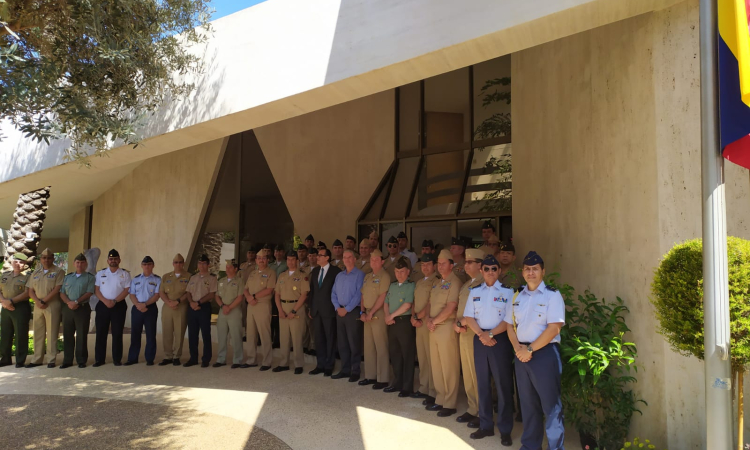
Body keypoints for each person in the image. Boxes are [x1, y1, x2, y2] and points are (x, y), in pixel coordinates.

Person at [505, 251, 566, 450]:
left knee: (551, 406)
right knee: (528, 405)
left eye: (535, 269)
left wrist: (530, 349)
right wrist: (518, 348)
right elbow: (509, 326)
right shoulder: (516, 295)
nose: (531, 273)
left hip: (544, 354)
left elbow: (554, 327)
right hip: (521, 353)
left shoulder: (552, 295)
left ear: (543, 271)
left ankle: (555, 447)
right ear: (522, 272)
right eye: (527, 269)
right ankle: (531, 445)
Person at [462, 254, 515, 445]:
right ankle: (485, 426)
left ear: (499, 271)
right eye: (487, 269)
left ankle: (505, 429)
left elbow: (509, 320)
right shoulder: (474, 291)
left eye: (494, 269)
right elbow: (469, 317)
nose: (491, 272)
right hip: (480, 340)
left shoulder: (509, 292)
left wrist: (490, 334)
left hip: (499, 341)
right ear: (481, 271)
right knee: (482, 385)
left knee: (503, 386)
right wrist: (481, 335)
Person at [425, 249, 461, 417]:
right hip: (433, 326)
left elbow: (451, 307)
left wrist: (434, 321)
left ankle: (450, 402)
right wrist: (427, 320)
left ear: (451, 265)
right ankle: (440, 398)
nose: (440, 266)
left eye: (443, 263)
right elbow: (429, 304)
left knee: (448, 365)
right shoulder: (437, 283)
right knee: (437, 365)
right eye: (438, 263)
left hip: (445, 327)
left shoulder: (455, 282)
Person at [454, 248, 486, 428]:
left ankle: (483, 411)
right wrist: (457, 324)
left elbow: (481, 310)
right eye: (465, 262)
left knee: (478, 374)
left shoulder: (484, 284)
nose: (465, 265)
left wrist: (462, 322)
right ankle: (473, 408)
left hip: (476, 334)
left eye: (470, 262)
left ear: (480, 265)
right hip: (464, 333)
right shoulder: (467, 285)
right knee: (467, 373)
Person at [26, 247, 65, 368]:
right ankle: (37, 359)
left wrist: (44, 300)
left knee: (52, 332)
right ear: (40, 259)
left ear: (53, 258)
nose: (46, 260)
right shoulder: (35, 272)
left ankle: (51, 359)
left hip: (52, 305)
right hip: (38, 306)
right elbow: (30, 290)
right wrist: (37, 301)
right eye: (44, 258)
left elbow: (58, 288)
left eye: (49, 258)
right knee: (38, 332)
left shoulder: (59, 271)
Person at [331, 250, 365, 382]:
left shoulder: (360, 275)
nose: (346, 259)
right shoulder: (339, 276)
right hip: (340, 312)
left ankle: (355, 371)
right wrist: (337, 307)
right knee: (342, 343)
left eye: (349, 257)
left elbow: (359, 294)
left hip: (352, 312)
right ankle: (345, 370)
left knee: (354, 342)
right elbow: (333, 293)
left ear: (355, 259)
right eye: (344, 257)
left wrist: (347, 309)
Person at [93, 249, 131, 367]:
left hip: (118, 305)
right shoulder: (100, 273)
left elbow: (127, 290)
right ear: (107, 260)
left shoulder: (125, 274)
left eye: (115, 259)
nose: (113, 261)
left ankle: (117, 359)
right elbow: (96, 290)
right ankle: (99, 359)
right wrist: (105, 301)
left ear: (119, 260)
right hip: (103, 305)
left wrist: (114, 301)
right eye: (111, 259)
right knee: (101, 333)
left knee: (117, 333)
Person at [358, 249, 390, 390]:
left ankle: (382, 378)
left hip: (378, 314)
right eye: (371, 259)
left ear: (382, 261)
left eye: (376, 259)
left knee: (381, 346)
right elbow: (363, 296)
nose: (373, 262)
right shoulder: (367, 277)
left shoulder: (385, 276)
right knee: (369, 346)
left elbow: (383, 297)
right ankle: (370, 375)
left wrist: (371, 312)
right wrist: (362, 311)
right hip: (368, 315)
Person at [383, 257, 415, 397]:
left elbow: (407, 305)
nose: (399, 274)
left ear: (408, 272)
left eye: (402, 271)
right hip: (392, 323)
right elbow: (386, 302)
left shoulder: (411, 286)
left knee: (407, 354)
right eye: (396, 271)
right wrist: (387, 316)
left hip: (404, 322)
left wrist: (391, 316)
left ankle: (407, 387)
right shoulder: (392, 285)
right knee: (395, 354)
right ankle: (397, 382)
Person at [308, 248, 342, 376]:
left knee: (330, 339)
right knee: (319, 339)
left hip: (329, 310)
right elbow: (313, 291)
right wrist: (310, 307)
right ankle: (320, 365)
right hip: (316, 310)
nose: (317, 257)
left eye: (320, 255)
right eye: (317, 255)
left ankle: (329, 366)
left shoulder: (336, 271)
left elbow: (338, 291)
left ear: (327, 257)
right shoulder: (316, 271)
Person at [274, 250, 310, 374]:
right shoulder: (282, 276)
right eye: (288, 259)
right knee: (284, 338)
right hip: (283, 308)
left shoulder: (302, 275)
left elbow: (304, 295)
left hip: (297, 309)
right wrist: (280, 310)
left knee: (296, 338)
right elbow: (277, 294)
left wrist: (294, 310)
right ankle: (283, 363)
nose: (290, 262)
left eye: (293, 259)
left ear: (297, 261)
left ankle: (298, 364)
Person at [411, 252, 438, 404]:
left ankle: (433, 390)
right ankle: (423, 387)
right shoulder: (420, 281)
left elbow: (430, 303)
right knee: (422, 358)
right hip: (418, 323)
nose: (425, 267)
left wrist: (418, 316)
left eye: (428, 264)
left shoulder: (436, 281)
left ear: (434, 266)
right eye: (422, 264)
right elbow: (415, 301)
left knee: (431, 358)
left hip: (427, 323)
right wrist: (413, 316)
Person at [242, 250, 276, 370]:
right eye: (259, 258)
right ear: (256, 260)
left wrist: (254, 297)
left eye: (263, 258)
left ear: (267, 260)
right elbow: (245, 288)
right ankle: (251, 360)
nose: (261, 260)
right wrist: (248, 298)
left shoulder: (271, 273)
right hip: (251, 305)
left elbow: (270, 289)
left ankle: (266, 361)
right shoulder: (252, 273)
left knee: (264, 333)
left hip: (262, 305)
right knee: (250, 334)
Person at [125, 256, 161, 366]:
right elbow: (131, 294)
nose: (147, 266)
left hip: (150, 308)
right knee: (135, 333)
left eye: (149, 264)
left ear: (153, 266)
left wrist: (145, 304)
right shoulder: (135, 279)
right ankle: (132, 358)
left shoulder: (157, 279)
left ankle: (150, 358)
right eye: (144, 264)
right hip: (137, 308)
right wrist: (138, 305)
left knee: (150, 334)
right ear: (141, 266)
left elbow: (157, 295)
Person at [60, 254, 95, 369]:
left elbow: (89, 292)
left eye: (82, 262)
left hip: (82, 308)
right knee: (68, 334)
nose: (80, 265)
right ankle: (67, 360)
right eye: (77, 262)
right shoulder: (68, 277)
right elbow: (62, 292)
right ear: (74, 264)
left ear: (86, 264)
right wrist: (69, 303)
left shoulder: (90, 277)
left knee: (81, 335)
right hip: (68, 309)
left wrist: (76, 302)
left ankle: (81, 360)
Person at [184, 254, 217, 368]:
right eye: (199, 263)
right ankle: (193, 358)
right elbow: (188, 292)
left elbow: (212, 293)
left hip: (204, 308)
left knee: (205, 334)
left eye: (204, 263)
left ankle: (206, 359)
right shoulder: (193, 277)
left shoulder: (212, 278)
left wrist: (198, 303)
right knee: (192, 334)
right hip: (192, 307)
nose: (201, 265)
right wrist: (192, 303)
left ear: (208, 265)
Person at [158, 254, 191, 366]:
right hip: (167, 307)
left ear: (183, 263)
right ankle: (168, 356)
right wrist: (168, 302)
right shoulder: (166, 276)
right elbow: (161, 292)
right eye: (176, 262)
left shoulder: (188, 276)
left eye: (180, 262)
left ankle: (177, 356)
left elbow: (188, 292)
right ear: (173, 264)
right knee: (167, 332)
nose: (178, 264)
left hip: (181, 307)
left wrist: (178, 301)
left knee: (179, 332)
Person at [0, 253, 31, 368]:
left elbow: (28, 292)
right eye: (16, 261)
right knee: (5, 333)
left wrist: (11, 301)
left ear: (25, 264)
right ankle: (5, 358)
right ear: (12, 262)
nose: (18, 264)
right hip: (5, 307)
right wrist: (3, 301)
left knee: (21, 334)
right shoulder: (5, 275)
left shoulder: (28, 276)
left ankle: (20, 360)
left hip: (20, 307)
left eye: (21, 262)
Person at [214, 259, 245, 369]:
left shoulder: (240, 281)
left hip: (234, 310)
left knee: (236, 336)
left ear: (236, 269)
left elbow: (240, 297)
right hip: (222, 310)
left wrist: (229, 307)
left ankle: (237, 359)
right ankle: (221, 359)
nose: (227, 269)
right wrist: (223, 306)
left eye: (230, 267)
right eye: (227, 267)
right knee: (221, 335)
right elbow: (217, 296)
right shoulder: (221, 280)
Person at [303, 247, 318, 355]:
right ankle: (305, 344)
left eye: (313, 255)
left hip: (315, 299)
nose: (311, 257)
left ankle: (313, 346)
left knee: (313, 324)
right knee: (305, 324)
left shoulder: (320, 269)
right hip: (305, 299)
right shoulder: (304, 269)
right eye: (310, 255)